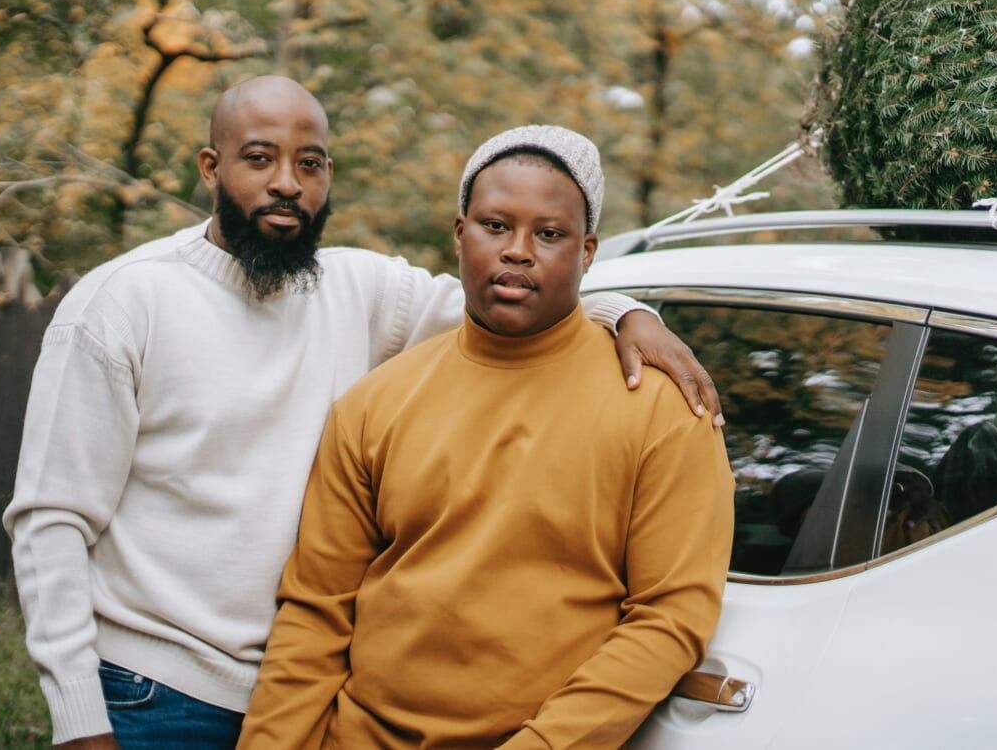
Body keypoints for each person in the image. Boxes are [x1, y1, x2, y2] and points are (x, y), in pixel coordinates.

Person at [3, 78, 723, 750]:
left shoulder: (359, 287)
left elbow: (516, 302)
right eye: (260, 158)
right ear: (210, 167)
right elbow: (51, 520)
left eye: (309, 162)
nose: (287, 181)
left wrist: (630, 313)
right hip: (156, 690)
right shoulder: (125, 302)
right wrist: (77, 720)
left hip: (296, 695)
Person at [237, 125, 734, 749]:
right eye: (495, 226)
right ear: (459, 233)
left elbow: (671, 619)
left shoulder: (663, 408)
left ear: (586, 252)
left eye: (549, 235)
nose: (517, 251)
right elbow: (315, 614)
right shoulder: (375, 402)